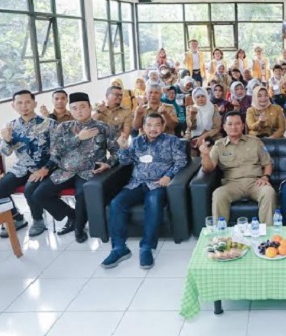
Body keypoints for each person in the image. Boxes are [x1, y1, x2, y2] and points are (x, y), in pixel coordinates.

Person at [101, 113, 187, 269]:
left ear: (163, 126)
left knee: (153, 204)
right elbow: (125, 161)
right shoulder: (137, 141)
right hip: (136, 183)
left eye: (157, 125)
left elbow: (181, 161)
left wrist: (168, 176)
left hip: (157, 184)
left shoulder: (172, 141)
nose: (153, 129)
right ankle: (119, 248)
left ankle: (147, 247)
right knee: (116, 203)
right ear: (143, 127)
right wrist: (123, 148)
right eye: (149, 125)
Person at [31, 92, 118, 243]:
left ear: (90, 108)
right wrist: (78, 138)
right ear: (70, 110)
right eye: (74, 108)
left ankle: (79, 227)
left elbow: (118, 152)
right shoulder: (63, 128)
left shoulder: (104, 128)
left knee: (81, 195)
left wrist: (108, 163)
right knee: (39, 194)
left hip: (90, 171)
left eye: (83, 107)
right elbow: (55, 151)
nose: (79, 111)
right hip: (65, 171)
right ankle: (73, 216)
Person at [0, 90, 54, 239]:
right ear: (13, 106)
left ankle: (38, 220)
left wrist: (46, 168)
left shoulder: (49, 124)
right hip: (22, 167)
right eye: (19, 103)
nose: (24, 106)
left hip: (43, 167)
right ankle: (17, 218)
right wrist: (6, 140)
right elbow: (5, 153)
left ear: (34, 104)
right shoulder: (10, 126)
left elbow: (58, 150)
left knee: (29, 190)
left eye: (27, 102)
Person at [200, 111, 277, 224]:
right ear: (224, 127)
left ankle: (267, 233)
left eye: (237, 123)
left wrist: (265, 177)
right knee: (218, 194)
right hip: (232, 184)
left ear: (243, 126)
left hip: (255, 183)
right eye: (230, 124)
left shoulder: (255, 142)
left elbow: (267, 163)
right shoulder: (219, 145)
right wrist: (205, 155)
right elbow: (208, 168)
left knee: (268, 192)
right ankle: (220, 234)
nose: (234, 127)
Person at [186, 88, 222, 156]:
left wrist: (202, 137)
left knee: (207, 154)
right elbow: (190, 127)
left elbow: (216, 127)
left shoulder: (213, 108)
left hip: (211, 136)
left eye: (203, 96)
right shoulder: (190, 108)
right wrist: (193, 115)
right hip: (193, 137)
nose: (200, 99)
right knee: (192, 155)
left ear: (206, 96)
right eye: (198, 97)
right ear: (194, 98)